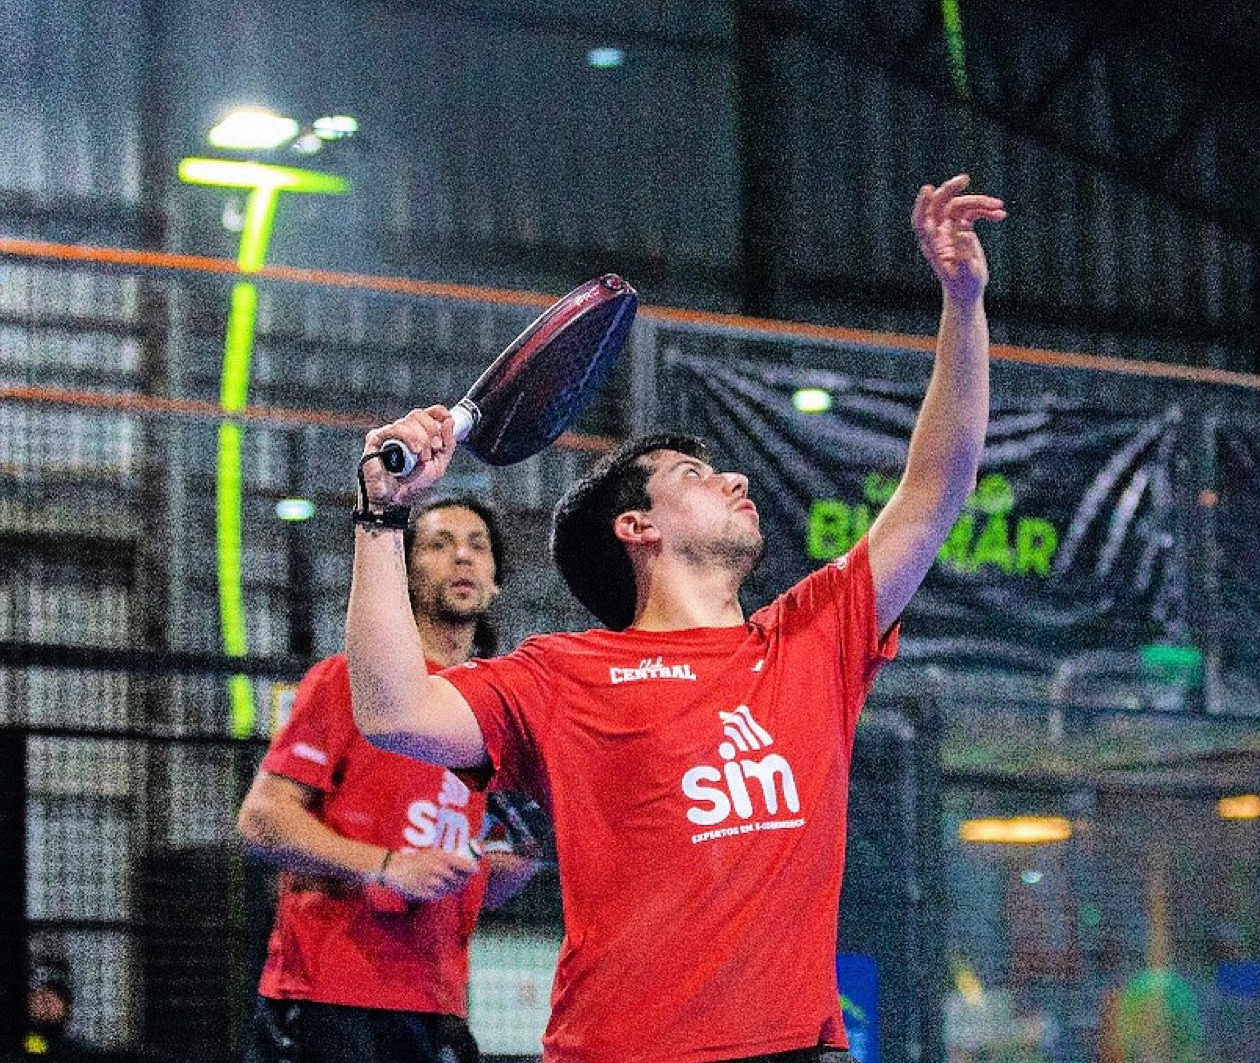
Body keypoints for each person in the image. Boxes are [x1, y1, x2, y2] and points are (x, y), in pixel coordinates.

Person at [343, 176, 1004, 1063]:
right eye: (694, 476)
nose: (733, 479)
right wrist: (381, 515)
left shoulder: (811, 640)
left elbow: (935, 487)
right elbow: (392, 711)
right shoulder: (560, 676)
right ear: (637, 528)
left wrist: (962, 303)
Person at [238, 496, 545, 1063]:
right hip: (331, 995)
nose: (462, 556)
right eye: (439, 544)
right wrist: (385, 865)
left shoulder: (494, 707)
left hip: (438, 1001)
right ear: (402, 575)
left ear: (496, 581)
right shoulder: (346, 681)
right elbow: (261, 820)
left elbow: (469, 878)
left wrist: (511, 867)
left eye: (478, 546)